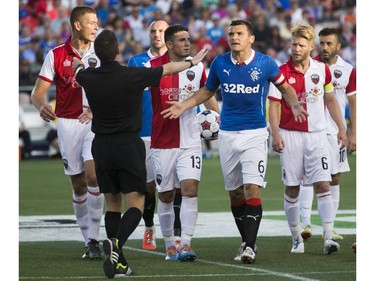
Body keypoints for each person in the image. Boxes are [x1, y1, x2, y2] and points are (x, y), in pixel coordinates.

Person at [161, 20, 307, 264]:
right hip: (227, 134)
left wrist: (293, 103)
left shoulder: (265, 63)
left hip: (255, 133)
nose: (234, 37)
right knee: (236, 194)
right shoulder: (220, 63)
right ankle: (246, 240)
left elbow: (285, 87)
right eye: (231, 34)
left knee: (252, 188)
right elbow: (208, 91)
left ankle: (249, 247)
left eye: (239, 33)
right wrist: (184, 105)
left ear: (251, 38)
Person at [73, 29, 209, 278]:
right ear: (117, 52)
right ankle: (116, 245)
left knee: (112, 204)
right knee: (136, 204)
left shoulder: (89, 77)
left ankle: (119, 262)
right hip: (127, 144)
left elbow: (78, 71)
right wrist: (191, 62)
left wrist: (79, 63)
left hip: (101, 146)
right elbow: (166, 70)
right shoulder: (132, 74)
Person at [30, 5, 104, 260]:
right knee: (78, 182)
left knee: (93, 175)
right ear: (77, 25)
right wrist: (41, 107)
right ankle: (89, 242)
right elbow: (37, 93)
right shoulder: (56, 54)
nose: (96, 26)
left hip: (94, 122)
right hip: (67, 123)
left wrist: (96, 109)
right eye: (92, 22)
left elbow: (111, 86)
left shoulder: (101, 52)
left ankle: (95, 236)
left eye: (97, 22)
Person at [268, 23, 347, 255]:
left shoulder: (322, 70)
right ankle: (296, 237)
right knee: (292, 188)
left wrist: (341, 128)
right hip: (290, 136)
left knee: (324, 184)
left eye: (301, 45)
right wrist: (275, 133)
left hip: (318, 136)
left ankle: (329, 236)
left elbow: (331, 99)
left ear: (310, 46)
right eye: (293, 44)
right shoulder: (280, 72)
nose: (296, 49)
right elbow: (273, 106)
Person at [146, 24, 220, 262]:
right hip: (162, 142)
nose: (187, 43)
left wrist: (219, 121)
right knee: (166, 196)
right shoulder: (152, 68)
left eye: (188, 39)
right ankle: (170, 245)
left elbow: (207, 93)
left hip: (190, 141)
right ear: (168, 44)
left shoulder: (198, 68)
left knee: (190, 190)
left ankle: (186, 243)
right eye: (181, 40)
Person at [298, 27, 356, 241]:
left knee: (334, 177)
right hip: (310, 130)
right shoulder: (307, 66)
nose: (324, 47)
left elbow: (353, 102)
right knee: (306, 177)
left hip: (335, 133)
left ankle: (328, 229)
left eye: (329, 43)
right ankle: (305, 224)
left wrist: (353, 133)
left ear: (338, 46)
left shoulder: (348, 70)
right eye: (321, 43)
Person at [127, 19, 172, 251]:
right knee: (148, 187)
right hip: (144, 133)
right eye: (153, 31)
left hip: (171, 134)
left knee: (174, 185)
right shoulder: (136, 62)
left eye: (162, 31)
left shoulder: (177, 62)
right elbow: (125, 95)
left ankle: (176, 234)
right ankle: (149, 228)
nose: (157, 34)